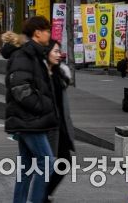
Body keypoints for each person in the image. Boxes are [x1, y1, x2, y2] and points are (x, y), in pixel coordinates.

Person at [3, 16, 58, 203]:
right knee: (47, 162)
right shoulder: (25, 55)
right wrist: (42, 107)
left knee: (27, 166)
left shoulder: (35, 54)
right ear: (37, 33)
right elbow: (20, 88)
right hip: (28, 119)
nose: (49, 34)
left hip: (27, 119)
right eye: (47, 31)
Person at [44, 40, 76, 201]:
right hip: (46, 127)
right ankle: (42, 195)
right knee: (44, 165)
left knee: (64, 161)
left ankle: (45, 193)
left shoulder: (59, 75)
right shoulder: (41, 75)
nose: (59, 55)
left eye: (59, 51)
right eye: (55, 51)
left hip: (60, 126)